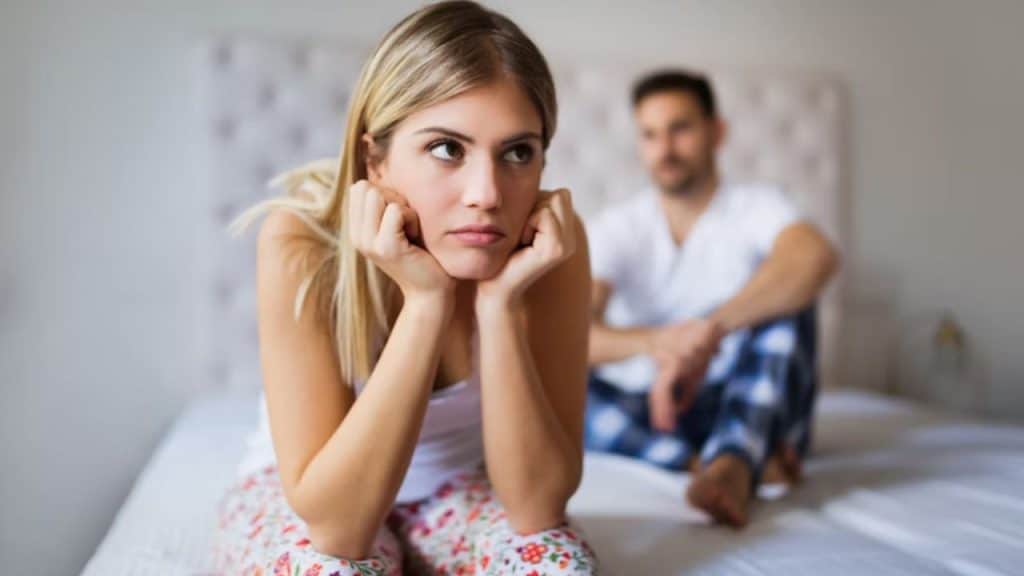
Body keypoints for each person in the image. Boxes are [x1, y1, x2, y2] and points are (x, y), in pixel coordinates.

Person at [212, 2, 599, 574]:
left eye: (518, 152)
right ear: (376, 158)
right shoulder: (303, 242)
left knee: (558, 565)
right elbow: (338, 528)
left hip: (458, 492)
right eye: (447, 148)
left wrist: (500, 305)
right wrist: (426, 303)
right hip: (319, 497)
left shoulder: (550, 249)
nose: (487, 194)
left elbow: (537, 507)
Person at [584, 70, 839, 528]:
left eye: (679, 128)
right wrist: (661, 344)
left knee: (791, 303)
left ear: (716, 132)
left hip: (751, 396)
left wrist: (708, 333)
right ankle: (712, 462)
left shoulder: (757, 205)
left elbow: (816, 257)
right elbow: (572, 334)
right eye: (650, 135)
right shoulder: (619, 227)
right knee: (556, 384)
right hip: (660, 408)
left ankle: (735, 459)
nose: (664, 149)